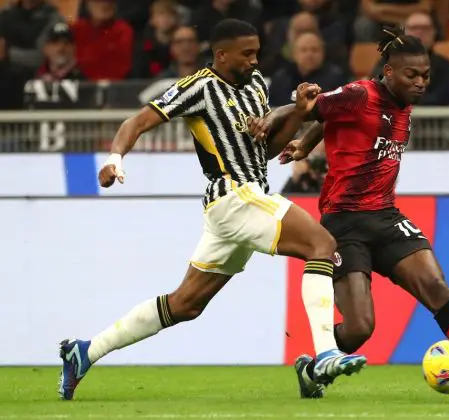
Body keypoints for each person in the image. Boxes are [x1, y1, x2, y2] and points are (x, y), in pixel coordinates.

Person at [57, 19, 366, 401]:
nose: (255, 60)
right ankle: (323, 355)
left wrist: (299, 115)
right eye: (246, 54)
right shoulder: (198, 86)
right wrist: (115, 156)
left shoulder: (255, 86)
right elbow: (138, 120)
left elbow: (263, 151)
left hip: (245, 199)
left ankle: (84, 352)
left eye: (257, 52)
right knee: (321, 243)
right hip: (233, 196)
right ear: (221, 54)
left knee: (185, 304)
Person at [278, 26, 449, 398]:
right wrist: (290, 134)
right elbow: (314, 109)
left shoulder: (402, 104)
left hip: (385, 215)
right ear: (388, 72)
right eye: (411, 75)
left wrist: (306, 143)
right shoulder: (358, 94)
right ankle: (314, 366)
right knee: (360, 328)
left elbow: (324, 120)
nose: (420, 82)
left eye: (426, 75)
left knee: (435, 285)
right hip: (343, 222)